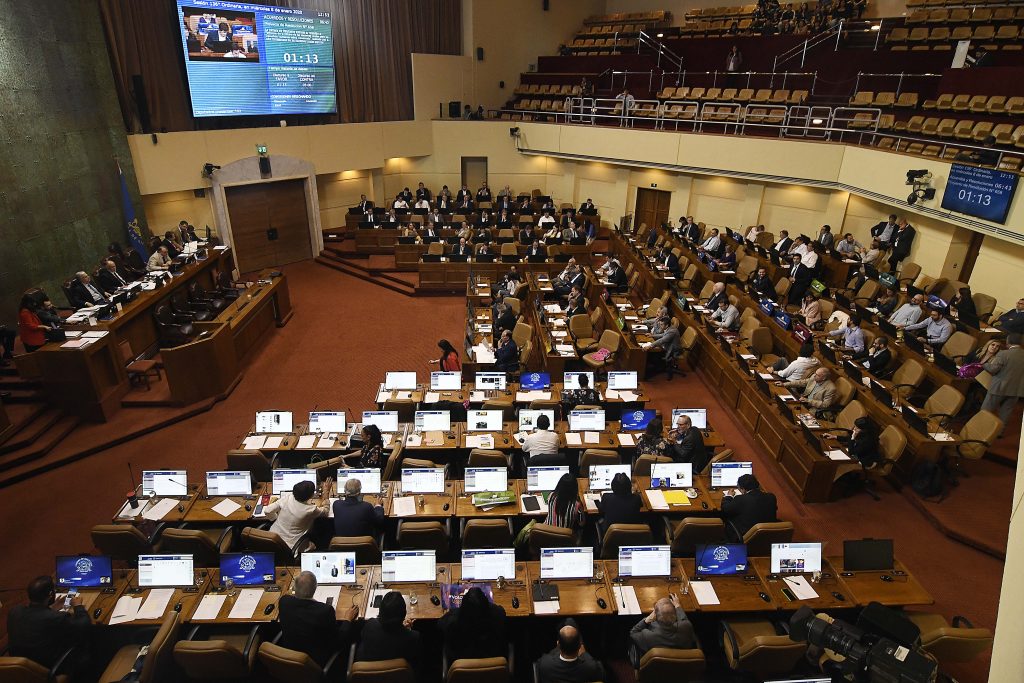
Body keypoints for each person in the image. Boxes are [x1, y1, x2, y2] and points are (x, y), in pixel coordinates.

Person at [7, 575, 92, 671]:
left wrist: (51, 608)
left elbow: (35, 617)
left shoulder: (14, 611)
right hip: (48, 668)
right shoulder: (56, 617)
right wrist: (78, 606)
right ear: (51, 594)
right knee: (86, 638)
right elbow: (84, 624)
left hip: (21, 667)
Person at [279, 571, 358, 666]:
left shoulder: (284, 601)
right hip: (315, 662)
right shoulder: (324, 611)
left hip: (289, 657)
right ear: (315, 588)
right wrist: (348, 619)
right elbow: (338, 641)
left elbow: (289, 596)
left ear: (294, 588)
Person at [438, 586, 507, 662]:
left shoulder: (452, 619)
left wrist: (454, 612)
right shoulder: (498, 615)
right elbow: (500, 610)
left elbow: (439, 624)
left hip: (461, 660)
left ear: (463, 604)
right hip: (492, 659)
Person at [356, 590, 421, 669]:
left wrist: (402, 628)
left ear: (380, 611)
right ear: (404, 613)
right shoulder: (413, 637)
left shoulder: (370, 625)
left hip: (368, 673)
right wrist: (405, 630)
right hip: (398, 675)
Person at [629, 594, 695, 666]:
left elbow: (633, 632)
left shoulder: (648, 636)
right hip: (681, 667)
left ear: (655, 616)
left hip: (656, 668)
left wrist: (647, 620)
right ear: (676, 615)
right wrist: (677, 605)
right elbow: (683, 619)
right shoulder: (687, 626)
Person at [265, 479, 331, 551]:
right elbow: (325, 512)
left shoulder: (287, 497)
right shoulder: (310, 509)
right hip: (291, 547)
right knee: (313, 545)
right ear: (311, 495)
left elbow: (267, 511)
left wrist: (275, 519)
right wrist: (326, 496)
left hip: (272, 539)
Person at [536, 619, 605, 683]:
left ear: (558, 645)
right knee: (570, 621)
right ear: (580, 645)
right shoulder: (592, 667)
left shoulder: (544, 664)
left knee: (569, 621)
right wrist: (584, 654)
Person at [981, 333, 1024, 428]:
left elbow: (993, 369)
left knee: (985, 411)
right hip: (1016, 391)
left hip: (998, 388)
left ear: (1008, 342)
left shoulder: (1003, 354)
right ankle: (999, 432)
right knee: (1005, 414)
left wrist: (985, 364)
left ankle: (980, 429)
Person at [721, 474, 778, 540]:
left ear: (743, 489)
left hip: (747, 536)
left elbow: (726, 509)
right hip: (768, 536)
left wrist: (729, 496)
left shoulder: (741, 499)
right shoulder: (771, 497)